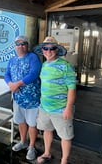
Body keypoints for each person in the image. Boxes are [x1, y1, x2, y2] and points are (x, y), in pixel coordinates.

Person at [33, 36, 76, 164]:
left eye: (52, 48)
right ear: (42, 50)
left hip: (61, 109)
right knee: (47, 130)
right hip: (44, 108)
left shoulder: (66, 66)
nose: (48, 51)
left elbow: (72, 89)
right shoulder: (44, 65)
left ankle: (64, 161)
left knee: (65, 136)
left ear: (57, 49)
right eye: (45, 48)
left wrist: (68, 107)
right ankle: (47, 153)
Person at [4, 35, 42, 161]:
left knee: (32, 123)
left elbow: (34, 74)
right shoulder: (12, 59)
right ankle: (23, 141)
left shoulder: (33, 58)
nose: (21, 46)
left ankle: (31, 146)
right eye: (18, 44)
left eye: (23, 43)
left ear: (27, 45)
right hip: (18, 98)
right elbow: (7, 74)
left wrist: (17, 84)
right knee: (21, 121)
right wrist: (10, 84)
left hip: (32, 98)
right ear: (15, 46)